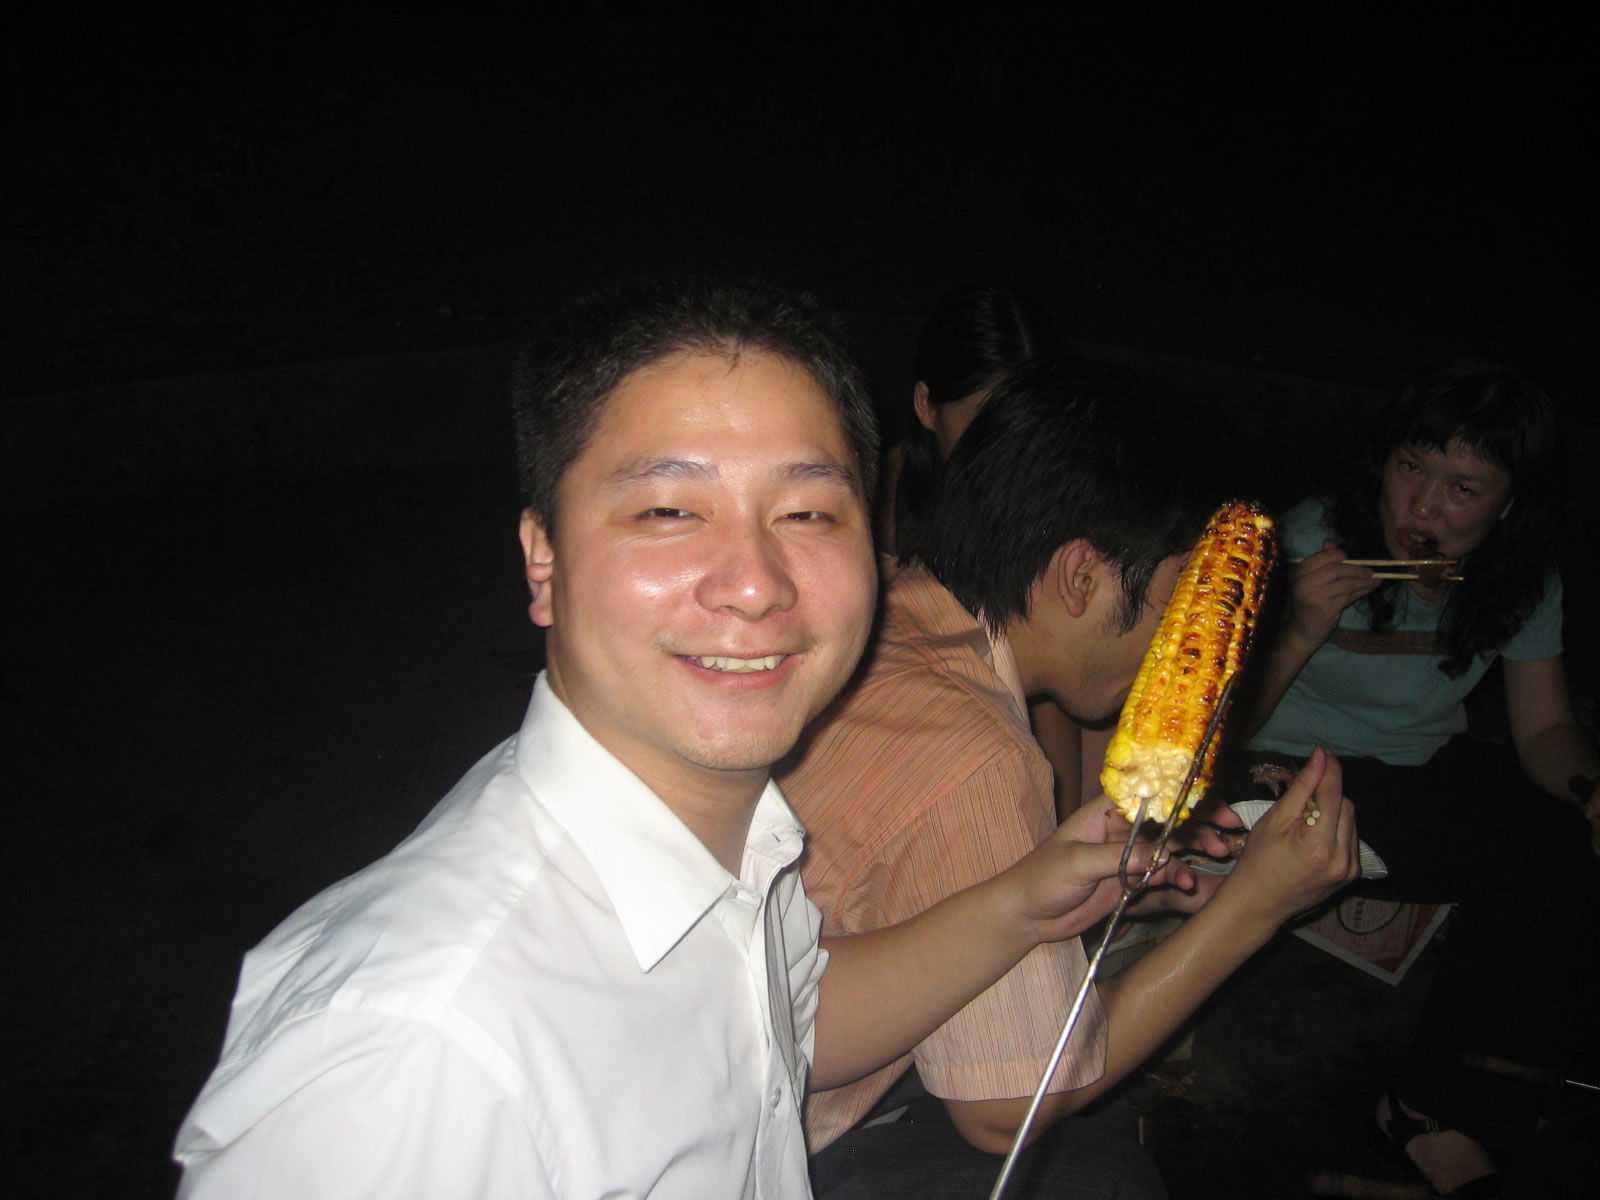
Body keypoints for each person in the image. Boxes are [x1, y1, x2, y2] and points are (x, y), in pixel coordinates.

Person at [172, 278, 1229, 1199]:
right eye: (669, 512)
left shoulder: (727, 841)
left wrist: (1021, 900)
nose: (755, 584)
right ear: (543, 559)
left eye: (808, 514)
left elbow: (782, 1020)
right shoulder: (411, 1053)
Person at [779, 357, 1362, 1199]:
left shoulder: (886, 599)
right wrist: (1256, 906)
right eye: (1185, 599)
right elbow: (1006, 1110)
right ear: (1082, 575)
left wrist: (1095, 892)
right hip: (774, 1134)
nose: (1196, 641)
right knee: (1108, 1178)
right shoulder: (978, 753)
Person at [1241, 360, 1600, 1198]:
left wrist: (1590, 790)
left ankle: (1493, 1092)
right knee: (1525, 867)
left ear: (1508, 505)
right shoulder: (1310, 539)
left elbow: (1546, 730)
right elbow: (1217, 726)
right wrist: (1298, 624)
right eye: (1411, 467)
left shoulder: (1520, 579)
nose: (1422, 508)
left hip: (1414, 767)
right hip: (1279, 767)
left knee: (1566, 844)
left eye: (1462, 488)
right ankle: (1430, 1116)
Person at [888, 281, 1083, 814]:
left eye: (1029, 421)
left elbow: (1051, 691)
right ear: (927, 406)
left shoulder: (1046, 507)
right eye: (983, 419)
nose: (1010, 447)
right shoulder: (873, 500)